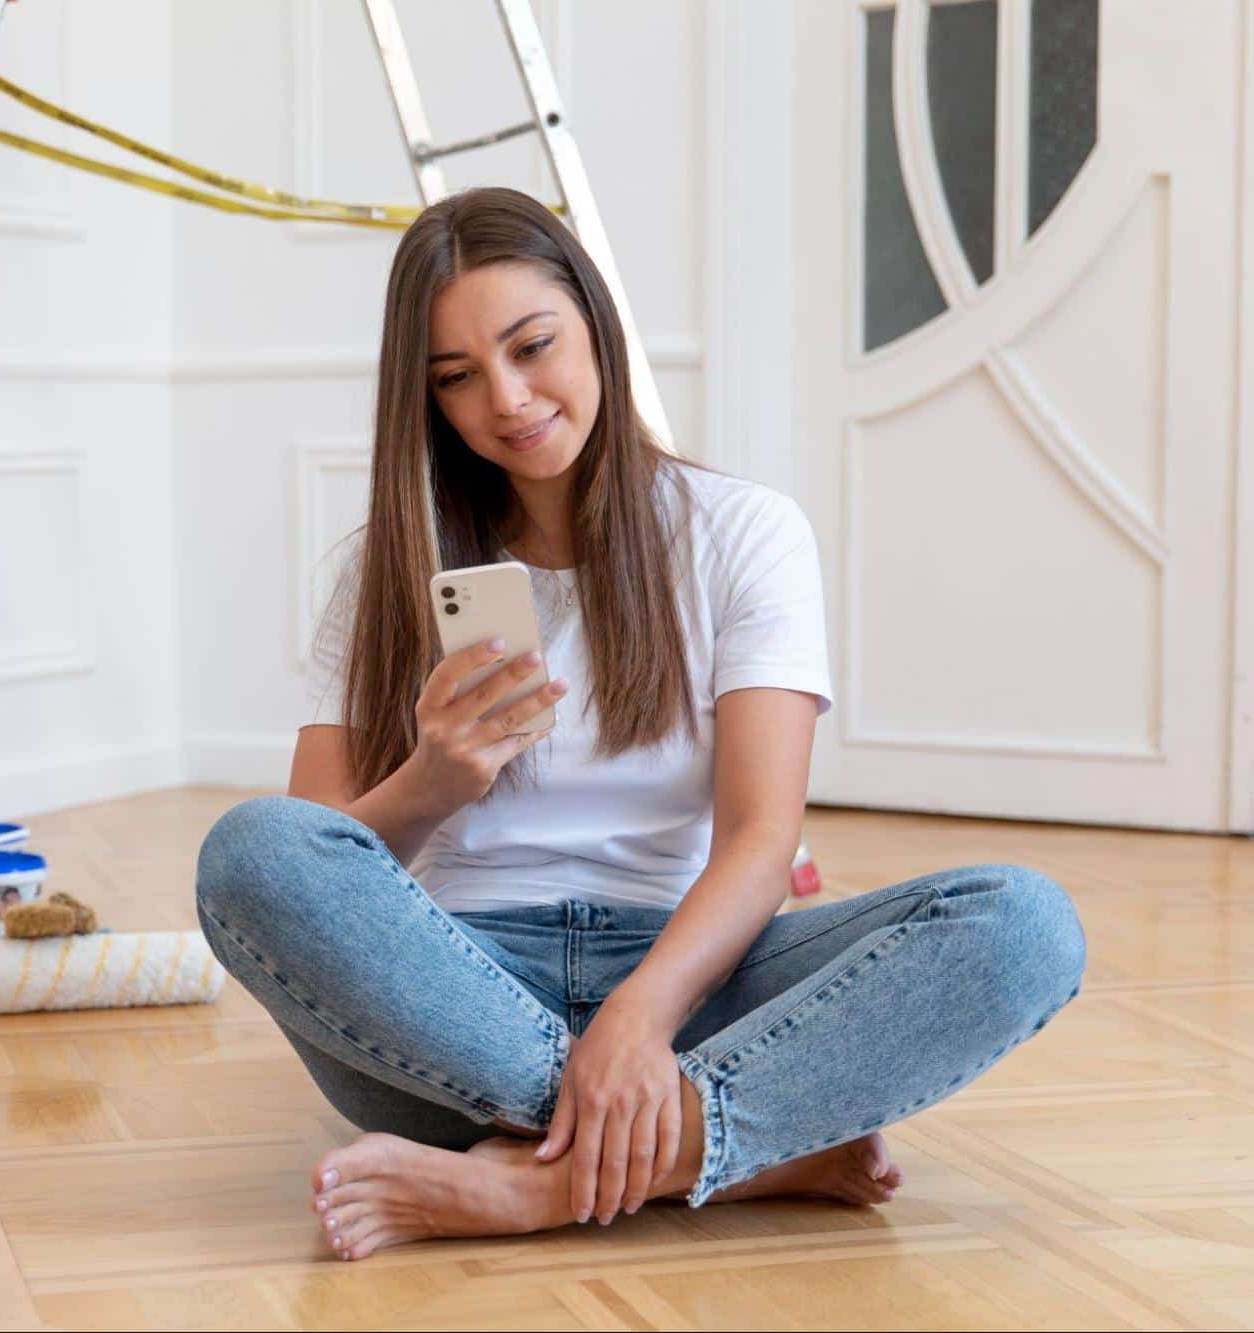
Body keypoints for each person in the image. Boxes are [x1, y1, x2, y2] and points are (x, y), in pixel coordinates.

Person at [193, 187, 1086, 1262]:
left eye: (532, 346)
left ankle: (540, 1184)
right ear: (424, 401)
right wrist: (434, 778)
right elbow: (312, 864)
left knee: (1023, 925)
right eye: (458, 378)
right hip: (451, 1006)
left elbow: (760, 843)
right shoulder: (383, 573)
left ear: (594, 324)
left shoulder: (741, 535)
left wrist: (635, 1022)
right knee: (248, 848)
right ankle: (732, 1143)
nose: (508, 400)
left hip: (692, 976)